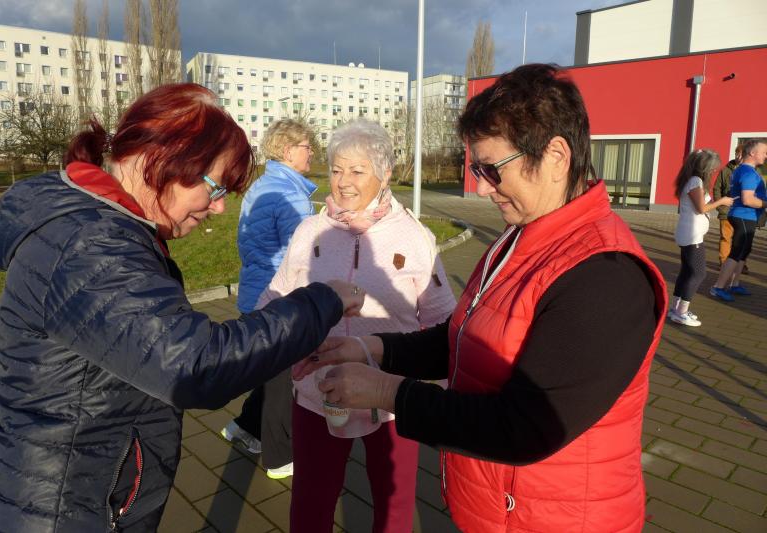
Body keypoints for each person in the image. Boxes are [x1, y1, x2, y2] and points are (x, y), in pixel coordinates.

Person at [0, 83, 363, 533]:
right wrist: (323, 301)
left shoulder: (101, 227)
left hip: (77, 496)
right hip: (64, 512)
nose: (219, 208)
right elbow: (196, 364)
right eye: (215, 187)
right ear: (159, 159)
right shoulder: (89, 246)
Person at [296, 64, 668, 533]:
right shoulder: (522, 237)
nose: (483, 187)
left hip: (557, 518)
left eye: (493, 169)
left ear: (556, 156)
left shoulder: (605, 276)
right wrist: (370, 348)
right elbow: (463, 338)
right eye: (477, 169)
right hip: (504, 509)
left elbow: (526, 427)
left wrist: (386, 391)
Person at [262, 119, 455, 532]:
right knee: (311, 502)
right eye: (336, 169)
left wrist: (441, 399)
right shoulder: (310, 231)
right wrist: (252, 345)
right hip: (316, 392)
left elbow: (443, 321)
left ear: (384, 174)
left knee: (394, 503)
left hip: (389, 397)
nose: (343, 182)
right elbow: (276, 297)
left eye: (356, 170)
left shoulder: (414, 237)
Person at [220, 119, 317, 480]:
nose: (312, 152)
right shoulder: (291, 194)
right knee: (284, 380)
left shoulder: (261, 186)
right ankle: (280, 458)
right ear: (289, 151)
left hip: (255, 293)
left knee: (267, 370)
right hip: (280, 298)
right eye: (307, 146)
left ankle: (244, 427)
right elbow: (307, 255)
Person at [670, 149, 734, 326]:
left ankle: (676, 309)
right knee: (699, 273)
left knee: (687, 272)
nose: (713, 171)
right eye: (712, 168)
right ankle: (681, 312)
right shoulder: (695, 181)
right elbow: (701, 208)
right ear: (704, 167)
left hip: (689, 233)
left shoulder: (691, 180)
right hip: (692, 235)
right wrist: (722, 201)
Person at [710, 138, 767, 301]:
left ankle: (734, 284)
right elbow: (748, 200)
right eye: (764, 152)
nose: (766, 156)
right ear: (753, 153)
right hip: (743, 215)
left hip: (746, 216)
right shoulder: (748, 173)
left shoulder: (744, 170)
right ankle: (718, 287)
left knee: (744, 251)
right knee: (737, 252)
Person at [712, 146, 741, 267]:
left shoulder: (750, 171)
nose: (739, 157)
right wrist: (720, 205)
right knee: (726, 237)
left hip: (742, 212)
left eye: (741, 154)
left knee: (740, 240)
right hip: (727, 211)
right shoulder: (725, 170)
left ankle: (739, 263)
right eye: (737, 154)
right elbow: (716, 188)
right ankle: (724, 262)